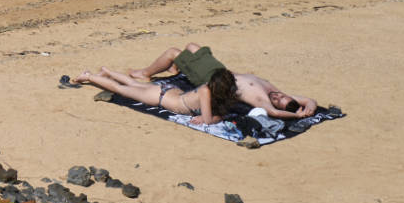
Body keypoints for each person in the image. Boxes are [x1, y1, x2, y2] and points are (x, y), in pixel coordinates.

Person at [130, 42, 320, 119]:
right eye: (282, 96)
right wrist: (310, 104)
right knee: (192, 46)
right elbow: (307, 99)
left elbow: (275, 113)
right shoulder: (276, 92)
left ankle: (145, 73)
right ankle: (177, 66)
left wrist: (297, 116)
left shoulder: (263, 101)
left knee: (173, 52)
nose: (277, 96)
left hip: (212, 79)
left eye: (278, 100)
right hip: (221, 71)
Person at [70, 65, 242, 124]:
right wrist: (218, 118)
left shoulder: (207, 86)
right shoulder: (206, 92)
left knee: (133, 84)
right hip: (160, 97)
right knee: (120, 89)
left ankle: (106, 71)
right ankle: (88, 76)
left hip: (166, 92)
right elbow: (207, 119)